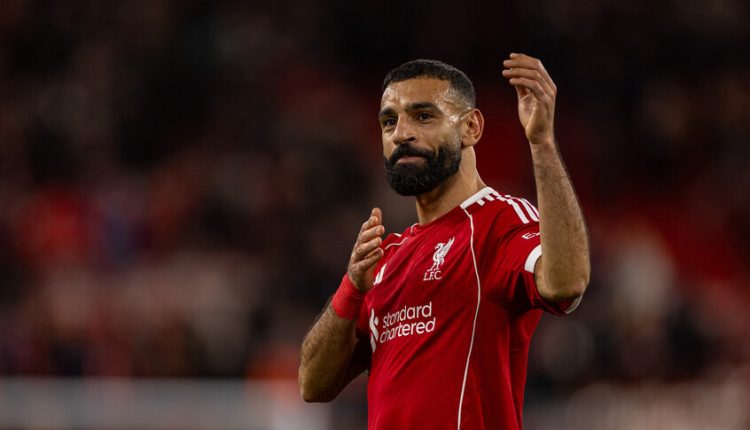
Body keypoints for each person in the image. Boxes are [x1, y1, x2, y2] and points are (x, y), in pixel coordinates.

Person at [298, 53, 590, 429]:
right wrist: (351, 287)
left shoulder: (499, 221)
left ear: (471, 127)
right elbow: (313, 384)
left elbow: (566, 283)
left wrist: (542, 143)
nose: (401, 134)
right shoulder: (385, 258)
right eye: (389, 121)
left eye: (423, 116)